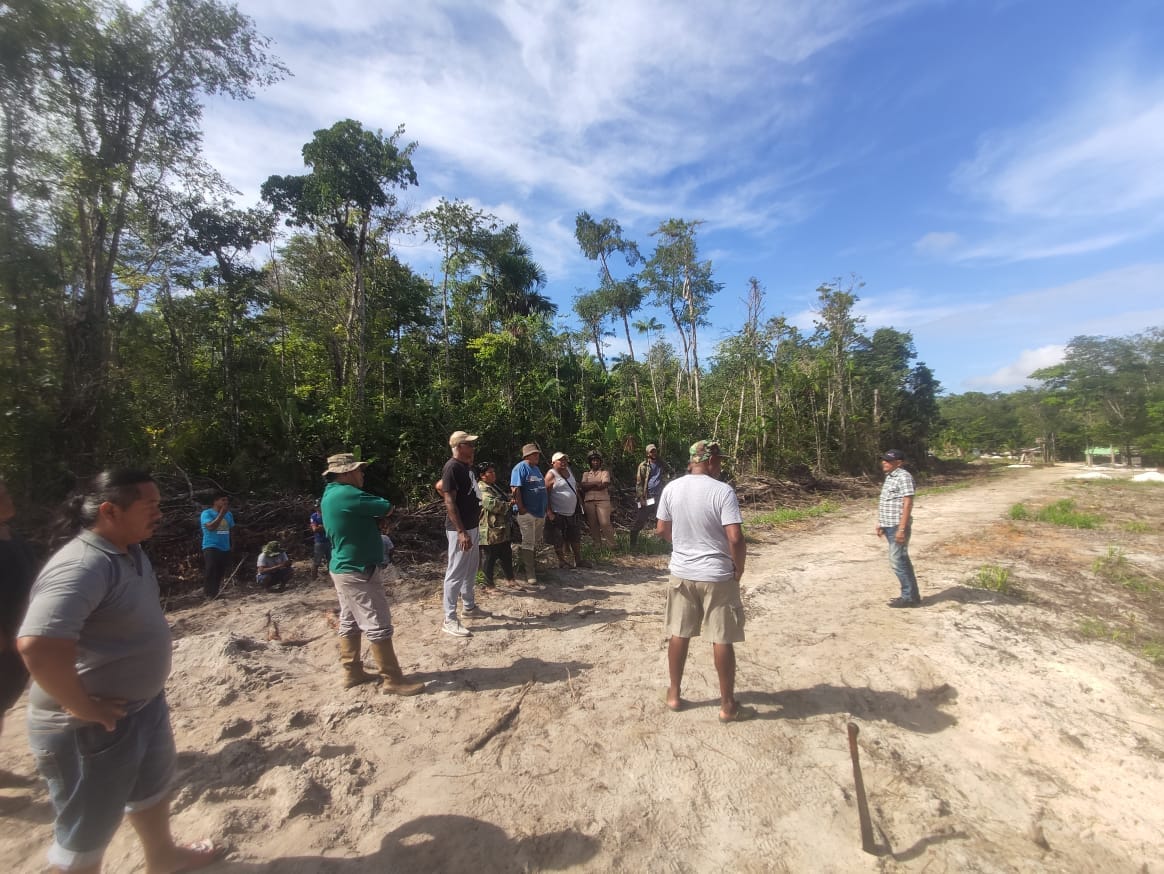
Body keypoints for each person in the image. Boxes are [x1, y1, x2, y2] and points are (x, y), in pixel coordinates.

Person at [17, 469, 222, 872]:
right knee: (86, 829)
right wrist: (82, 707)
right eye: (151, 505)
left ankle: (162, 856)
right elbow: (37, 644)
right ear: (110, 511)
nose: (159, 513)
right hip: (91, 726)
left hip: (139, 708)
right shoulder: (82, 564)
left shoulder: (129, 550)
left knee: (150, 789)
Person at [656, 441, 751, 723]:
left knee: (679, 633)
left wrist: (683, 546)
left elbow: (661, 529)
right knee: (721, 638)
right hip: (717, 575)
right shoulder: (722, 491)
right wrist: (739, 567)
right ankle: (727, 705)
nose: (720, 466)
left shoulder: (671, 488)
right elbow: (735, 537)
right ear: (709, 461)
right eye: (719, 461)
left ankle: (674, 695)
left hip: (682, 573)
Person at [320, 453, 424, 695]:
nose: (362, 474)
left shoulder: (329, 495)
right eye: (358, 470)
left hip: (343, 567)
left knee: (350, 620)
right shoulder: (348, 494)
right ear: (346, 473)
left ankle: (352, 671)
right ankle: (392, 678)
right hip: (357, 568)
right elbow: (385, 506)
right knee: (377, 621)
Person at [1, 478, 38, 741]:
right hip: (3, 637)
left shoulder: (10, 534)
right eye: (2, 495)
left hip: (21, 630)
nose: (9, 499)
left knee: (6, 696)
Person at [440, 431, 487, 637]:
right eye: (469, 444)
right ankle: (449, 618)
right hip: (460, 529)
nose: (473, 448)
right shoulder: (452, 467)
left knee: (471, 568)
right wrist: (461, 531)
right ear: (459, 447)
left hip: (472, 526)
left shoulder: (466, 467)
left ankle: (469, 605)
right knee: (456, 572)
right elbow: (449, 501)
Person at [876, 449, 921, 608]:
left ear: (899, 463)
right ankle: (911, 596)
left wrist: (901, 529)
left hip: (897, 525)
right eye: (883, 459)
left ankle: (908, 598)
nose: (884, 462)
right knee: (902, 560)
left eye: (888, 460)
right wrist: (880, 523)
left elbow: (907, 503)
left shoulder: (904, 477)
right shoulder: (890, 477)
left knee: (897, 561)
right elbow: (887, 502)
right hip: (889, 524)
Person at [510, 442, 547, 585]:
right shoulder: (519, 468)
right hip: (527, 512)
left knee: (535, 540)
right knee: (528, 540)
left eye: (537, 453)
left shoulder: (536, 469)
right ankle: (530, 572)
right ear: (527, 455)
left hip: (539, 512)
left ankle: (532, 564)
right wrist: (521, 508)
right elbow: (515, 488)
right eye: (534, 454)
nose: (537, 456)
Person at [477, 461, 517, 588]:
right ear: (482, 475)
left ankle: (510, 580)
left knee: (506, 553)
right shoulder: (481, 488)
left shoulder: (493, 486)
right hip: (489, 530)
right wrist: (509, 505)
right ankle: (488, 585)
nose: (494, 474)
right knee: (490, 557)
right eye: (490, 472)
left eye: (494, 471)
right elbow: (492, 504)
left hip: (501, 529)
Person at [544, 451, 585, 569]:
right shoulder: (551, 475)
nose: (563, 462)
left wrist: (580, 504)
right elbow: (545, 494)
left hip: (572, 511)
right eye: (560, 460)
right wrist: (549, 512)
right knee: (558, 537)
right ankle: (562, 561)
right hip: (557, 512)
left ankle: (578, 560)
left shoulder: (569, 472)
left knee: (575, 536)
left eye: (565, 460)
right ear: (553, 462)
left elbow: (575, 489)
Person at [631, 443, 671, 549]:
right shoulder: (643, 465)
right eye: (651, 451)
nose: (654, 453)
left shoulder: (661, 464)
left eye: (655, 451)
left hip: (660, 496)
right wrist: (641, 498)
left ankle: (662, 543)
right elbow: (639, 482)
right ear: (647, 453)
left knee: (662, 518)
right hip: (648, 496)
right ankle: (632, 544)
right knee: (641, 519)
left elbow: (669, 471)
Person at [200, 492, 234, 599]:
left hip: (225, 546)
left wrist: (233, 544)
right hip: (211, 545)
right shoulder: (207, 513)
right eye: (223, 500)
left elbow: (231, 529)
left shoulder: (229, 514)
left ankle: (215, 593)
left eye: (227, 500)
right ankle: (208, 594)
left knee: (220, 570)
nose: (226, 502)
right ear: (215, 501)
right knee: (211, 568)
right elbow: (210, 527)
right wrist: (221, 514)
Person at [580, 450, 615, 547]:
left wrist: (589, 485)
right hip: (589, 501)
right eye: (593, 460)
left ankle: (612, 545)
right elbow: (583, 486)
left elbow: (603, 485)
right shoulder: (586, 474)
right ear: (590, 462)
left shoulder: (604, 473)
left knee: (605, 523)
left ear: (600, 462)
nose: (595, 462)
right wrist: (596, 483)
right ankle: (597, 544)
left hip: (602, 500)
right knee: (593, 524)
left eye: (597, 460)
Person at [309, 501, 330, 580]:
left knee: (330, 560)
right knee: (317, 561)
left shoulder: (327, 514)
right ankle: (313, 578)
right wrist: (324, 527)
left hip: (329, 540)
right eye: (317, 506)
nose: (318, 508)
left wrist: (321, 527)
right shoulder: (314, 516)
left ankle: (330, 577)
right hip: (319, 541)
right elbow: (315, 529)